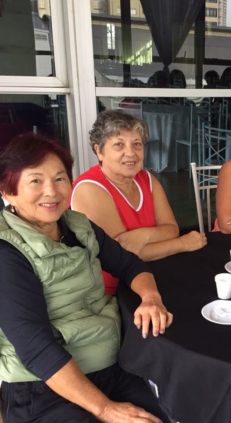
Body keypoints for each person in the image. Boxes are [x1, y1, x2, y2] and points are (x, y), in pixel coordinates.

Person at [0, 133, 176, 423]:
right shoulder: (3, 255)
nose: (51, 191)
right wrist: (106, 410)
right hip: (42, 388)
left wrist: (150, 298)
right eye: (36, 181)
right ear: (7, 190)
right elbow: (37, 350)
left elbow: (130, 265)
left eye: (59, 178)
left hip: (108, 367)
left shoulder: (78, 225)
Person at [71, 110, 207, 294]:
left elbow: (171, 229)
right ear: (99, 151)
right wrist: (183, 243)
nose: (131, 153)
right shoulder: (89, 189)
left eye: (137, 144)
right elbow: (122, 255)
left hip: (153, 274)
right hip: (112, 291)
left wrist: (143, 236)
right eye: (119, 145)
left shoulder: (146, 179)